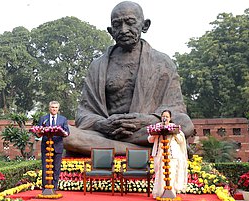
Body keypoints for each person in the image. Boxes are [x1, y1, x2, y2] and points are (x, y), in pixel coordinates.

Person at [64, 1, 194, 156]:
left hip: (144, 131)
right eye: (117, 25)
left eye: (130, 23)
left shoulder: (162, 63)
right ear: (111, 31)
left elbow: (175, 109)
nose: (123, 30)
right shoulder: (97, 66)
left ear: (144, 26)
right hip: (108, 132)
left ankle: (117, 148)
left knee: (184, 124)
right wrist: (102, 124)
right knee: (66, 135)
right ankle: (144, 151)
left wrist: (145, 120)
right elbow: (84, 114)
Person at [147, 110, 188, 198]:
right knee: (159, 173)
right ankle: (159, 193)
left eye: (167, 116)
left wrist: (174, 133)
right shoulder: (157, 127)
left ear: (170, 118)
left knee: (171, 173)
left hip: (171, 154)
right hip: (159, 153)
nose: (165, 118)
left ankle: (171, 192)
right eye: (163, 116)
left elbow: (180, 140)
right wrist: (154, 134)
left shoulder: (174, 127)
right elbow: (150, 140)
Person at [38, 101, 70, 191]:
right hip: (46, 146)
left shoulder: (63, 119)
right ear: (49, 108)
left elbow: (67, 132)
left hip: (57, 146)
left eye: (56, 107)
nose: (54, 109)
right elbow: (38, 132)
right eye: (52, 107)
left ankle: (54, 188)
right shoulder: (43, 119)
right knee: (45, 167)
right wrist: (40, 132)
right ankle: (45, 188)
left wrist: (63, 132)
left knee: (56, 167)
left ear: (58, 109)